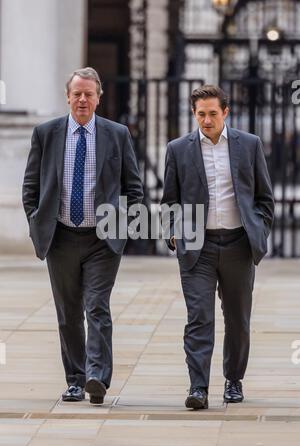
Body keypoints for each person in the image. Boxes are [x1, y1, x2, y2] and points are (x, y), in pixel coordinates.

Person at [22, 67, 143, 404]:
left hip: (102, 240)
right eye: (77, 93)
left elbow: (134, 188)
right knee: (69, 311)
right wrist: (38, 224)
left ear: (99, 98)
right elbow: (31, 187)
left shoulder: (116, 134)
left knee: (97, 307)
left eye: (89, 94)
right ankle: (75, 379)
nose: (82, 99)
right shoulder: (46, 134)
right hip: (60, 237)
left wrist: (123, 231)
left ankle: (97, 377)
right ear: (68, 96)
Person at [161, 85, 274, 409]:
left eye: (212, 113)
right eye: (201, 114)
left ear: (225, 112)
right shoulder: (179, 149)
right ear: (193, 114)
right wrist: (174, 235)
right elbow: (170, 201)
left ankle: (233, 379)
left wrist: (260, 231)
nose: (207, 120)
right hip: (198, 245)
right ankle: (198, 388)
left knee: (237, 318)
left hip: (239, 243)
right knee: (199, 317)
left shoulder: (248, 145)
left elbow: (264, 197)